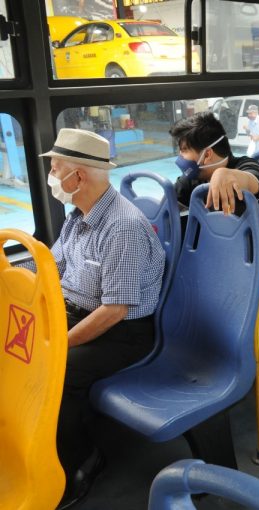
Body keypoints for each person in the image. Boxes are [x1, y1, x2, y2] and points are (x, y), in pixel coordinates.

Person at [36, 129, 165, 509]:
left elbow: (115, 309)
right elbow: (51, 264)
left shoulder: (122, 227)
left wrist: (60, 342)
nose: (52, 175)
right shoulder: (78, 216)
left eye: (56, 168)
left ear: (79, 177)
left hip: (122, 331)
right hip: (77, 311)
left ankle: (84, 459)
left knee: (57, 370)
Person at [169, 112, 259, 287]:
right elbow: (169, 206)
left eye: (184, 150)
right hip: (213, 266)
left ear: (207, 154)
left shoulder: (248, 166)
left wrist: (225, 174)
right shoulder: (193, 179)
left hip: (256, 274)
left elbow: (251, 180)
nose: (180, 157)